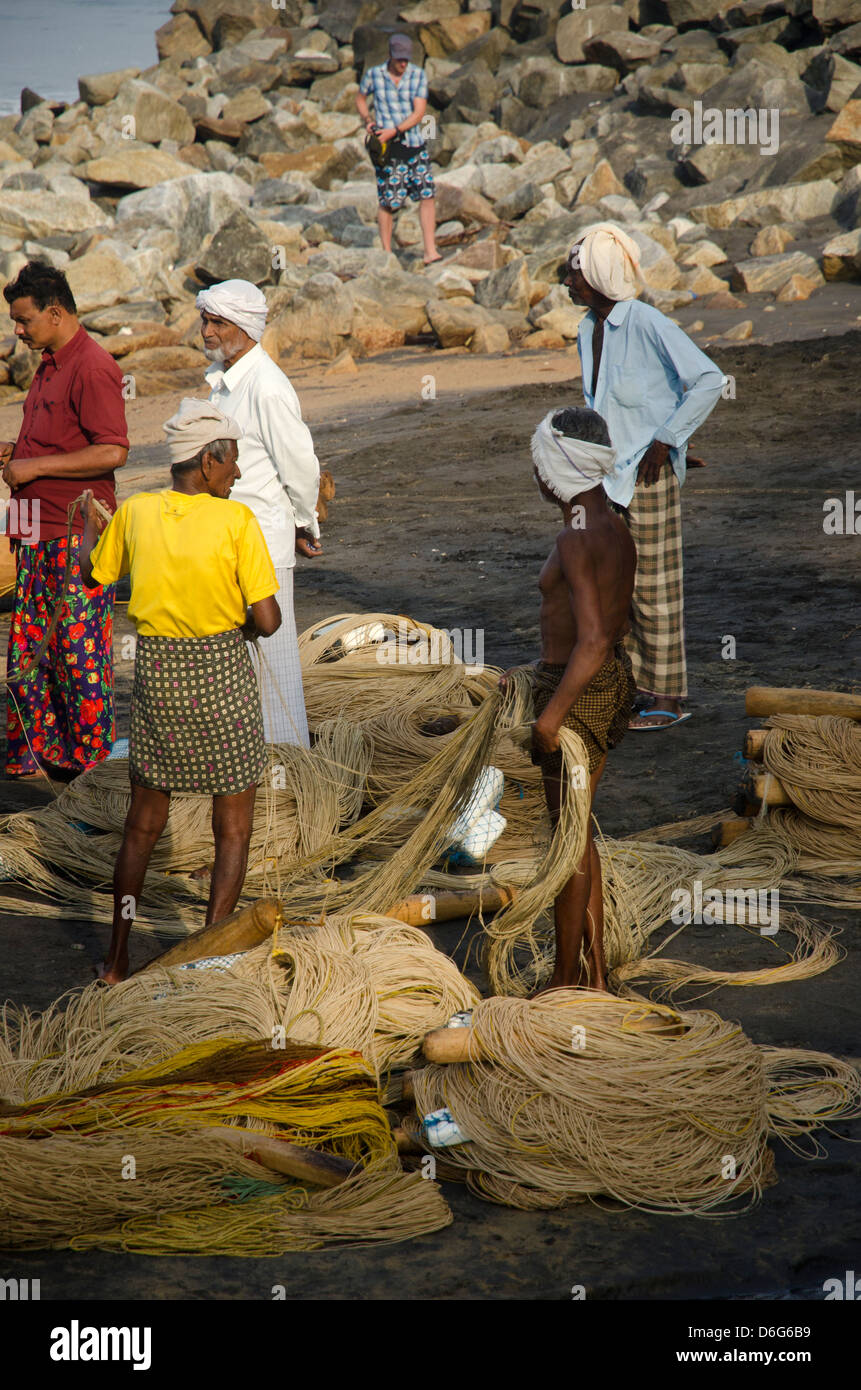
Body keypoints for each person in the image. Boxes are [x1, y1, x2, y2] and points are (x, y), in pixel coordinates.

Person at [80, 399, 281, 984]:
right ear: (211, 459)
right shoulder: (236, 522)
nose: (238, 473)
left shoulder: (137, 513)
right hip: (221, 678)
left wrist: (98, 532)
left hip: (160, 679)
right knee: (233, 828)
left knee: (142, 827)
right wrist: (235, 618)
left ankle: (116, 960)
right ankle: (206, 959)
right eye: (234, 461)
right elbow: (267, 622)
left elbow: (96, 573)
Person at [564, 223, 724, 730]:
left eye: (575, 274)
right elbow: (606, 404)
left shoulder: (647, 322)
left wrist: (669, 440)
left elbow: (707, 380)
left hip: (648, 477)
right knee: (617, 587)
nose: (567, 284)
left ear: (599, 277)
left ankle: (667, 698)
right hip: (609, 477)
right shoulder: (587, 329)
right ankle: (630, 689)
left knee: (655, 592)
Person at [502, 406, 636, 991]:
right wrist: (532, 675)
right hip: (599, 684)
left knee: (567, 838)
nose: (534, 475)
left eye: (539, 463)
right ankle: (595, 975)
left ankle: (565, 979)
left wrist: (550, 719)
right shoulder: (615, 525)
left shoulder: (576, 538)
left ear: (560, 466)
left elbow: (594, 638)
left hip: (579, 693)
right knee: (576, 831)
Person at [1, 260, 129, 778]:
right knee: (30, 649)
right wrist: (16, 451)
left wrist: (33, 465)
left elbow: (113, 452)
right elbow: (57, 439)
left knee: (79, 655)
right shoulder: (49, 360)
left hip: (74, 532)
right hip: (33, 529)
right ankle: (35, 757)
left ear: (55, 313)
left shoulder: (93, 365)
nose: (17, 330)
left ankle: (92, 764)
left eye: (24, 320)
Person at [195, 278, 320, 747]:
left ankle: (288, 770)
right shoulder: (225, 381)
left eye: (217, 322)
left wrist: (304, 522)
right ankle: (249, 766)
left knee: (274, 659)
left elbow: (300, 466)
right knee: (242, 662)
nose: (207, 331)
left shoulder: (266, 386)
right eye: (205, 320)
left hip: (263, 544)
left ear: (244, 327)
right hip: (227, 542)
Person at [356, 32, 441, 266]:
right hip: (387, 151)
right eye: (399, 59)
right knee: (388, 201)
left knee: (427, 195)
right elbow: (361, 98)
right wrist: (367, 120)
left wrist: (395, 130)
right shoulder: (374, 75)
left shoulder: (417, 76)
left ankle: (430, 251)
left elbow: (419, 112)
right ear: (390, 56)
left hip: (415, 146)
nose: (403, 63)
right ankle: (386, 252)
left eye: (406, 59)